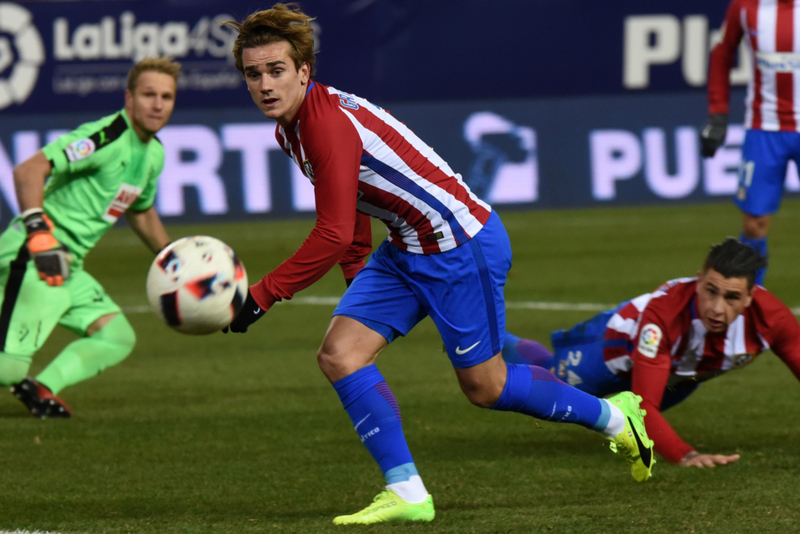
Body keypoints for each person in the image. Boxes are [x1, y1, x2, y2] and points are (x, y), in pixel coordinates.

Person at [221, 4, 655, 525]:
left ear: (303, 72)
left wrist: (261, 296)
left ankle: (616, 417)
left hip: (459, 247)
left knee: (486, 387)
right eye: (254, 74)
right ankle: (407, 493)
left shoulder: (325, 125)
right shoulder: (291, 128)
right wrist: (359, 277)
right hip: (407, 247)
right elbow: (351, 206)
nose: (265, 84)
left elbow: (331, 231)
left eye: (276, 71)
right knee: (340, 354)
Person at [503, 238, 800, 468]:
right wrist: (686, 455)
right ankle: (497, 338)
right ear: (698, 281)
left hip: (680, 374)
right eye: (710, 290)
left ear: (750, 297)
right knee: (554, 378)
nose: (717, 307)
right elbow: (644, 406)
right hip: (611, 349)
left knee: (634, 416)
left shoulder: (773, 319)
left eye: (732, 297)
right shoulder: (665, 318)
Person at [1, 57, 180, 419]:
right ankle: (19, 378)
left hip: (69, 267)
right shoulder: (107, 136)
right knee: (7, 369)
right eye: (149, 95)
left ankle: (40, 388)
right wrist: (39, 234)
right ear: (129, 99)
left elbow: (140, 210)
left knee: (117, 337)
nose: (158, 104)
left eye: (166, 96)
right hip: (38, 254)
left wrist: (170, 256)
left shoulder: (154, 153)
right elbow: (29, 170)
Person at [700, 0, 800, 286]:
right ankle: (750, 303)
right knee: (754, 224)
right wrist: (717, 114)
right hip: (764, 128)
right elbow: (722, 53)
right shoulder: (745, 6)